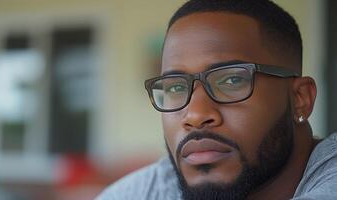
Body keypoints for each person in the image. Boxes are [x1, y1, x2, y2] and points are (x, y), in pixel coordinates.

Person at [96, 0, 337, 199]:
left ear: (300, 99)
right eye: (176, 86)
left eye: (231, 80)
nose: (195, 115)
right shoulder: (147, 191)